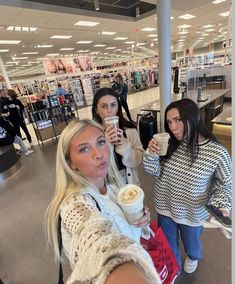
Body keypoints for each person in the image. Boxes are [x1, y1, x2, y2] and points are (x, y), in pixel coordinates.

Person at [44, 118, 161, 284]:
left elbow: (126, 229)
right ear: (71, 163)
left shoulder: (114, 189)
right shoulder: (75, 204)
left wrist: (141, 221)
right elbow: (96, 241)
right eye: (84, 149)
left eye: (100, 142)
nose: (98, 154)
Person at [143, 98, 231, 274]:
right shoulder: (170, 144)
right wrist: (151, 154)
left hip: (193, 211)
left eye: (178, 120)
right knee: (168, 244)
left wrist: (222, 205)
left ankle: (193, 256)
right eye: (169, 122)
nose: (173, 127)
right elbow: (152, 172)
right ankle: (173, 268)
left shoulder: (218, 153)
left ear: (194, 117)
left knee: (192, 244)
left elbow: (225, 184)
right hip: (165, 206)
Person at [92, 88, 144, 185]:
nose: (110, 110)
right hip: (107, 187)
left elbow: (138, 160)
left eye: (113, 105)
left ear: (118, 107)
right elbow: (91, 168)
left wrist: (124, 146)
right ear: (96, 110)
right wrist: (104, 145)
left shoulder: (130, 130)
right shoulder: (92, 135)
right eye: (104, 106)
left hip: (130, 184)